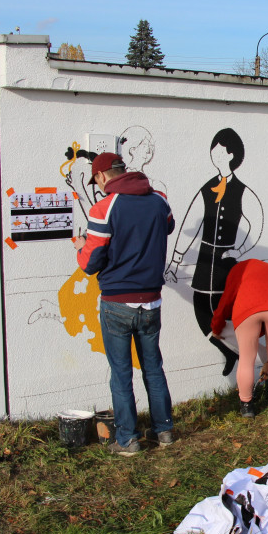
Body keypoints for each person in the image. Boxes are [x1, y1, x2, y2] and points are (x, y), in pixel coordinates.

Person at [74, 152, 176, 455]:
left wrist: (80, 248)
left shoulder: (104, 208)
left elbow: (91, 263)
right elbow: (168, 227)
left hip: (117, 302)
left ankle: (128, 439)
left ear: (104, 175)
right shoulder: (159, 200)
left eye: (97, 179)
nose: (98, 185)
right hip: (151, 301)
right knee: (153, 369)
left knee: (121, 374)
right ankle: (165, 431)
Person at [165, 128, 264, 376]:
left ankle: (248, 355)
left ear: (231, 155)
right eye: (213, 151)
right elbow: (193, 222)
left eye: (219, 152)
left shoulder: (242, 190)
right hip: (205, 259)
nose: (214, 155)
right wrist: (176, 260)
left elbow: (257, 221)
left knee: (226, 313)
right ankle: (231, 351)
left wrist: (239, 249)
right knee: (202, 311)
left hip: (226, 263)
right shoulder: (207, 187)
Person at [211, 259, 268, 417]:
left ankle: (247, 406)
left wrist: (216, 327)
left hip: (247, 311)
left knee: (246, 358)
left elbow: (226, 301)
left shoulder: (238, 270)